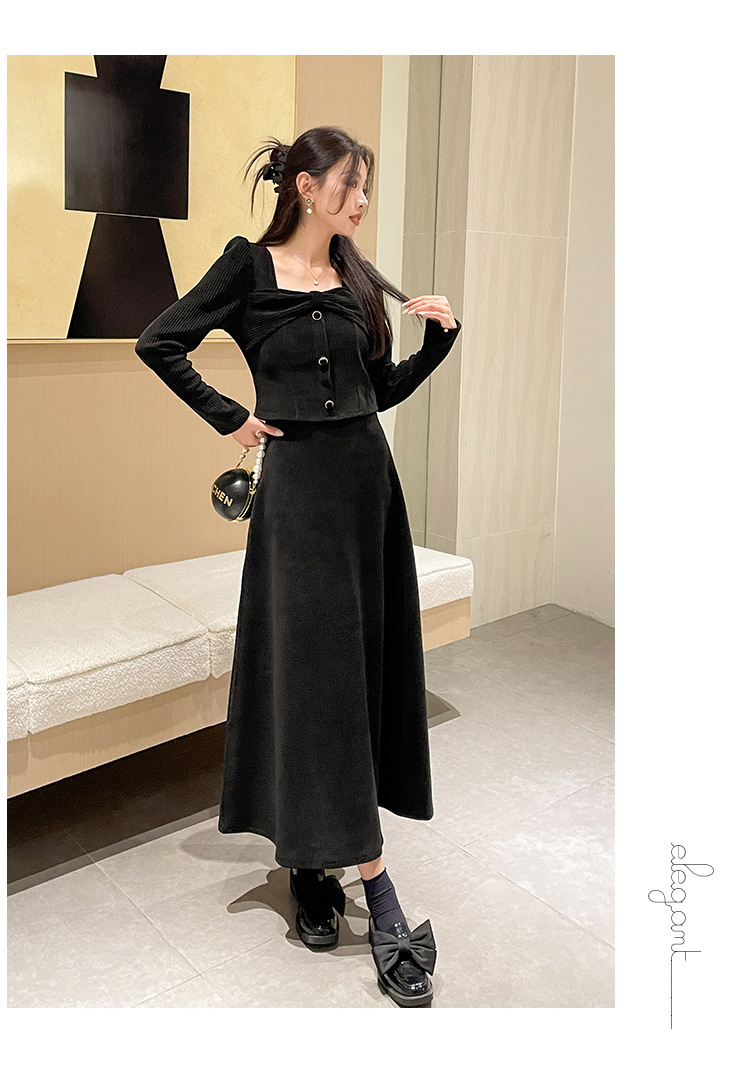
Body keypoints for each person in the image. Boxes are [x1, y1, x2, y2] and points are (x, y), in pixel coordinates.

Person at [135, 126, 462, 1008]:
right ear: (308, 187)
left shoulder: (357, 277)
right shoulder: (246, 267)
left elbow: (375, 389)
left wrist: (437, 344)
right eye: (352, 185)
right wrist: (231, 416)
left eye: (366, 188)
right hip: (298, 506)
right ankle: (378, 894)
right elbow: (159, 341)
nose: (363, 201)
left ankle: (313, 866)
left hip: (366, 493)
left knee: (353, 677)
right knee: (316, 682)